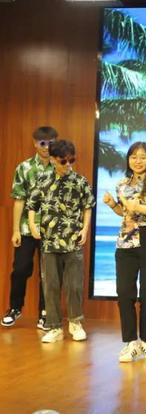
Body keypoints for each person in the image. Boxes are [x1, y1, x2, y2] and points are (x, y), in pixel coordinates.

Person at [102, 142, 146, 362]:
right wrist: (113, 205)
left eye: (142, 157)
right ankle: (131, 343)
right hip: (126, 242)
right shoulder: (122, 184)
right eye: (133, 157)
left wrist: (137, 207)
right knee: (124, 293)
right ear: (128, 159)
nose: (137, 161)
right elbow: (124, 212)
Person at [27, 139, 95, 343]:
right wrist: (32, 226)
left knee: (74, 285)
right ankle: (54, 327)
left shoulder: (80, 181)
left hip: (73, 240)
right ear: (53, 159)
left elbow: (87, 206)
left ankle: (75, 323)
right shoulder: (42, 180)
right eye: (63, 161)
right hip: (49, 241)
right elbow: (32, 205)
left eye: (71, 160)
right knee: (51, 286)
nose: (68, 165)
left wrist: (85, 229)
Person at [3, 126, 57, 329]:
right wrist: (15, 230)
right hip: (26, 229)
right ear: (35, 143)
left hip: (51, 230)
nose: (46, 147)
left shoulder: (61, 166)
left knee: (48, 273)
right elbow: (19, 200)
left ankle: (45, 313)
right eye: (42, 143)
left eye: (51, 143)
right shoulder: (24, 168)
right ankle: (15, 308)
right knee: (20, 269)